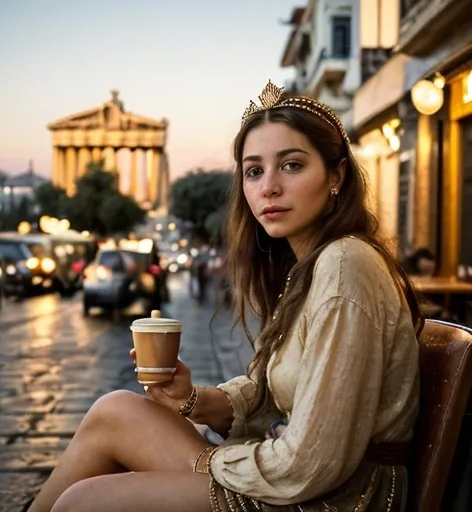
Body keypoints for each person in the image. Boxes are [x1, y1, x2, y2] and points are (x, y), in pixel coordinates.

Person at [28, 80, 422, 512]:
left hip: (338, 498)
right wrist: (191, 398)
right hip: (309, 478)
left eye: (291, 165)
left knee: (84, 501)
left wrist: (210, 461)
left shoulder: (346, 263)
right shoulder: (308, 268)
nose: (268, 187)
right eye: (254, 170)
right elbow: (267, 398)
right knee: (114, 409)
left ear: (336, 175)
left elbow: (310, 464)